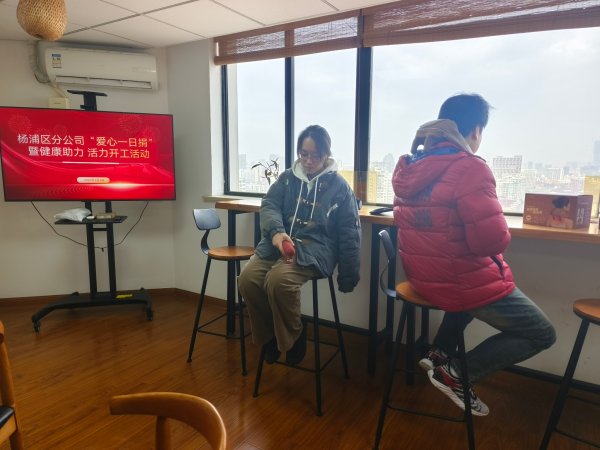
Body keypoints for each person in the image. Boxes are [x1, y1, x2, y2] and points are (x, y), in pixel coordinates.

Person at [392, 93, 556, 416]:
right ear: (476, 131)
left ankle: (440, 352)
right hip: (455, 283)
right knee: (542, 332)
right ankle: (456, 374)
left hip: (422, 278)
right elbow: (490, 243)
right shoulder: (470, 168)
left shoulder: (410, 166)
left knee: (467, 281)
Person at [238, 124, 361, 366]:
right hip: (277, 246)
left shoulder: (340, 187)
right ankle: (271, 337)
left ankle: (294, 335)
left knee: (278, 281)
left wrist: (348, 276)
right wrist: (277, 233)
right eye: (304, 154)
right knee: (247, 279)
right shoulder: (287, 179)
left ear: (326, 154)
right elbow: (270, 205)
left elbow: (350, 233)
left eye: (315, 155)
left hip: (315, 252)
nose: (308, 161)